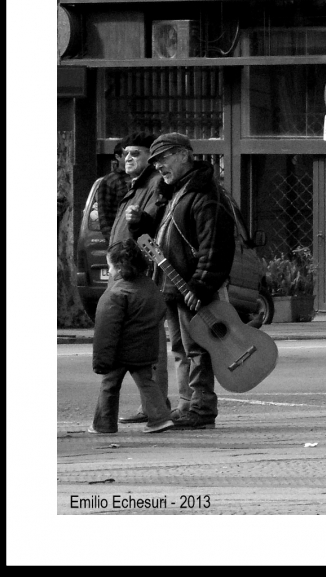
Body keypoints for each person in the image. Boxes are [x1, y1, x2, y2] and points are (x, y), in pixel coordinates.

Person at [147, 132, 235, 430]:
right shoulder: (176, 193)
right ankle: (188, 405)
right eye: (155, 161)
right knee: (181, 349)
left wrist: (199, 286)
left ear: (184, 154)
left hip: (190, 287)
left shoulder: (205, 196)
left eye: (163, 158)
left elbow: (215, 248)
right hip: (174, 287)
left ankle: (201, 407)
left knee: (197, 349)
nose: (158, 166)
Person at [108, 132, 171, 425]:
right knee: (135, 342)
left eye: (136, 153)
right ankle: (152, 407)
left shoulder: (154, 184)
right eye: (126, 153)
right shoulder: (135, 185)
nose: (128, 158)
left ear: (150, 157)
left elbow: (151, 227)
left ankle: (157, 408)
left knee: (150, 342)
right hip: (126, 271)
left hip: (141, 273)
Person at [88, 240, 174, 435]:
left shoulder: (117, 292)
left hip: (121, 350)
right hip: (145, 348)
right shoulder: (150, 287)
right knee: (147, 382)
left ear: (119, 267)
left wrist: (101, 361)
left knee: (109, 384)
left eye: (109, 267)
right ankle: (160, 418)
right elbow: (160, 312)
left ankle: (104, 424)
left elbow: (105, 330)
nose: (109, 272)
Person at [95, 141, 130, 238]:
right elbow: (104, 216)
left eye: (134, 154)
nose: (130, 158)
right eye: (126, 154)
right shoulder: (110, 180)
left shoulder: (143, 178)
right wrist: (112, 240)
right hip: (120, 236)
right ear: (118, 157)